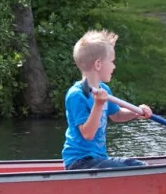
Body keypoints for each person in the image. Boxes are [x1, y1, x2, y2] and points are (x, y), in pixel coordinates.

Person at [62, 29, 153, 170]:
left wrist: (136, 112)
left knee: (138, 165)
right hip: (80, 162)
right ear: (98, 64)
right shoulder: (76, 95)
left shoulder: (103, 90)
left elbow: (116, 115)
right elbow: (87, 134)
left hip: (98, 159)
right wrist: (98, 105)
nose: (114, 66)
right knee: (130, 170)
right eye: (112, 61)